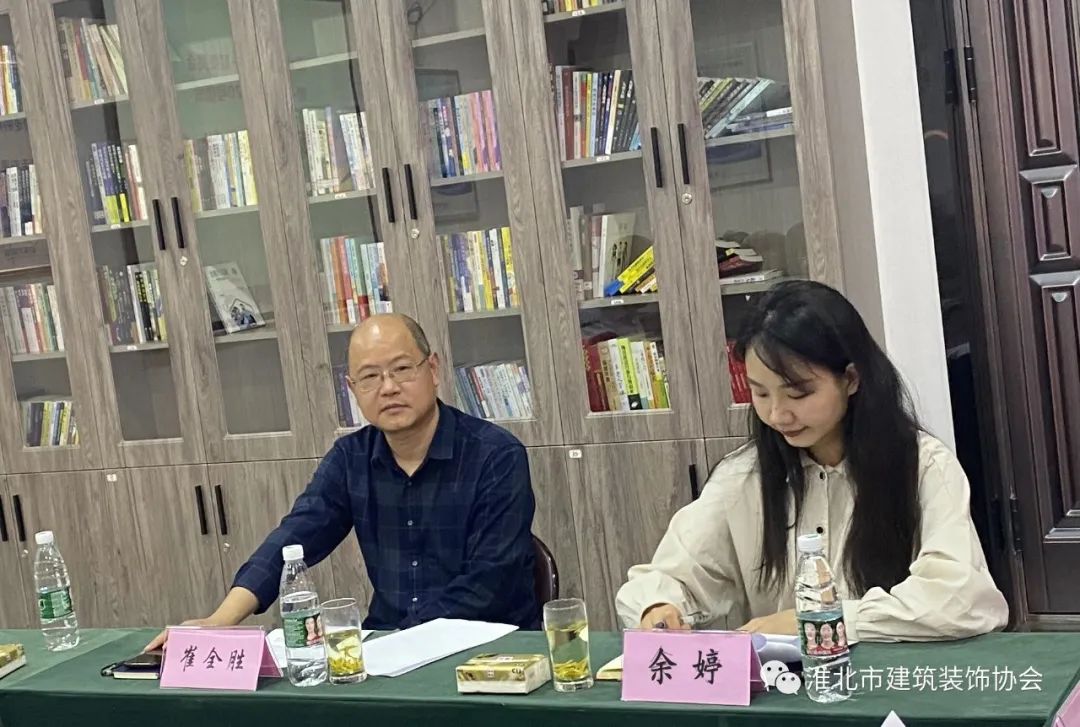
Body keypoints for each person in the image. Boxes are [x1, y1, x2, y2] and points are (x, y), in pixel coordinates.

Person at [616, 280, 1009, 642]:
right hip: (787, 686)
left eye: (798, 393)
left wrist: (826, 620)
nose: (777, 414)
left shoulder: (922, 466)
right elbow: (672, 575)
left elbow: (961, 600)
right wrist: (658, 608)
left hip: (890, 682)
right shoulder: (744, 476)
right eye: (760, 394)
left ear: (851, 379)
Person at [145, 314, 538, 651]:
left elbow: (489, 583)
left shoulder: (496, 456)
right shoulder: (351, 459)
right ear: (353, 390)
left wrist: (397, 642)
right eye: (370, 377)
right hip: (389, 649)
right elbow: (295, 536)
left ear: (433, 370)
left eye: (402, 369)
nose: (388, 387)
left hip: (490, 649)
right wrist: (220, 620)